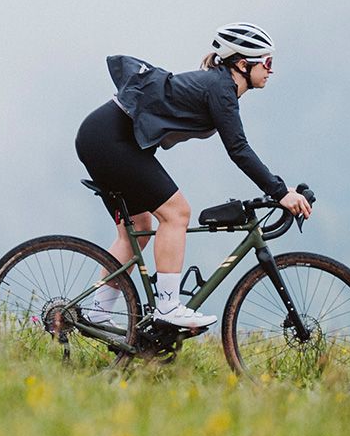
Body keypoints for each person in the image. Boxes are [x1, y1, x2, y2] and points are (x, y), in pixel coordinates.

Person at [74, 23, 313, 330]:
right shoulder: (221, 88)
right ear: (243, 64)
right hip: (109, 140)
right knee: (177, 213)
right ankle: (168, 307)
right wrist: (280, 192)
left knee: (140, 230)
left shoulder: (219, 86)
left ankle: (97, 312)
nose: (271, 71)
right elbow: (238, 149)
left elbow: (239, 149)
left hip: (103, 137)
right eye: (267, 63)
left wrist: (281, 189)